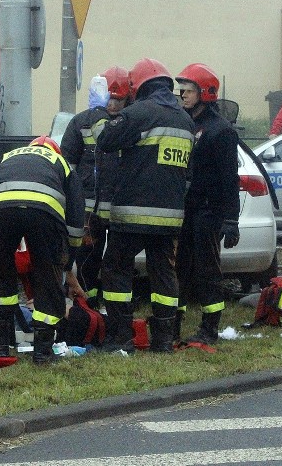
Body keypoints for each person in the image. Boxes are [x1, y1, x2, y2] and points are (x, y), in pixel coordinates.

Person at [94, 58, 194, 353]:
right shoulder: (186, 121)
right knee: (164, 273)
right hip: (171, 218)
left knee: (115, 269)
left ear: (138, 87)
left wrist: (102, 110)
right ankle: (163, 340)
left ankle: (120, 336)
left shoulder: (137, 113)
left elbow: (105, 141)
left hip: (133, 215)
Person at [0, 136, 85, 364]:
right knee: (48, 277)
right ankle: (43, 352)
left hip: (1, 210)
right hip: (43, 213)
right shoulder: (62, 163)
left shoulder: (8, 156)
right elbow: (76, 222)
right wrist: (66, 262)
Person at [174, 63, 241, 348]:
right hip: (188, 210)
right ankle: (171, 326)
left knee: (207, 272)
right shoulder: (186, 123)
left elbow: (230, 179)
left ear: (205, 93)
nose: (183, 96)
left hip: (209, 211)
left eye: (188, 91)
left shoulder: (220, 131)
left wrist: (231, 219)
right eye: (182, 91)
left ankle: (210, 328)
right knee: (179, 270)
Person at [60, 66, 130, 308]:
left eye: (118, 100)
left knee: (117, 263)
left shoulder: (128, 124)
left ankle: (111, 308)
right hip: (88, 210)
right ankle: (85, 307)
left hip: (118, 207)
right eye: (109, 98)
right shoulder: (80, 122)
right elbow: (67, 165)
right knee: (87, 259)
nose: (112, 105)